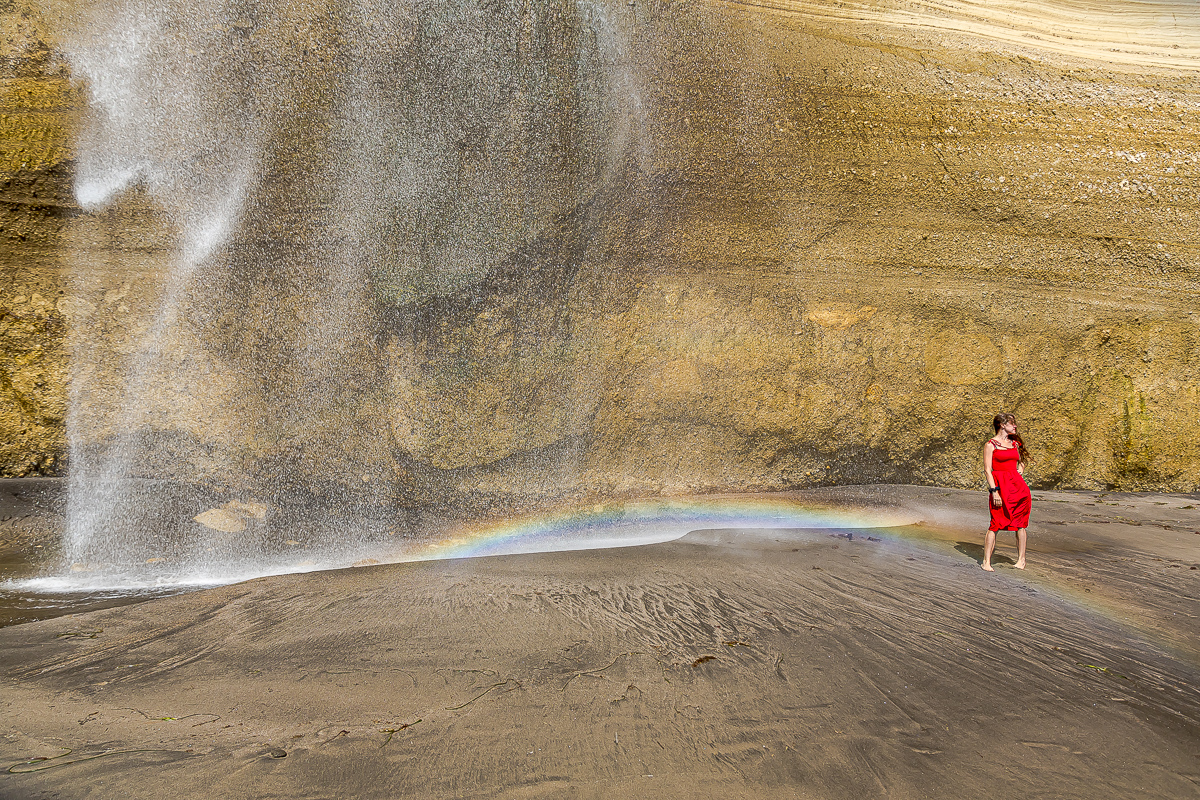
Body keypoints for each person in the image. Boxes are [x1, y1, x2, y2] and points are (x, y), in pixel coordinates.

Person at [982, 412, 1030, 571]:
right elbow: (988, 471)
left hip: (1019, 489)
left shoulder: (1015, 444)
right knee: (995, 524)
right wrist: (994, 491)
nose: (1015, 426)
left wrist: (1019, 472)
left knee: (1021, 525)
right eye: (1012, 423)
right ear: (1002, 425)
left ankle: (1021, 560)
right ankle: (986, 562)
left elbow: (1022, 461)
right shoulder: (991, 445)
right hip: (1000, 488)